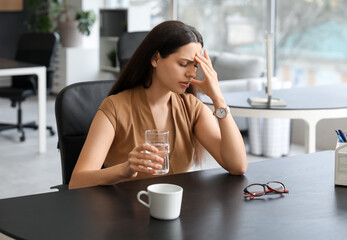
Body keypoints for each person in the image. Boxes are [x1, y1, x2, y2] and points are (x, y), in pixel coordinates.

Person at [69, 20, 247, 190]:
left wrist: (218, 100)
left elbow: (237, 166)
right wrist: (124, 169)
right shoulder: (115, 108)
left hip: (175, 211)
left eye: (195, 66)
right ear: (155, 58)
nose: (191, 73)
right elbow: (77, 181)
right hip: (124, 214)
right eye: (183, 64)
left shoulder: (192, 107)